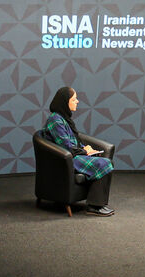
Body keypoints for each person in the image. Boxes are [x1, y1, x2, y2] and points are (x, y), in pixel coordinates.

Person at [41, 87, 115, 216]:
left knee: (106, 162)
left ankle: (98, 204)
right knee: (104, 163)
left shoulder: (63, 118)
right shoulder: (55, 120)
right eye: (74, 99)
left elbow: (73, 141)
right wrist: (84, 151)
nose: (77, 101)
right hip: (66, 159)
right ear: (65, 102)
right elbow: (65, 145)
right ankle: (94, 207)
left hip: (73, 155)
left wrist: (86, 148)